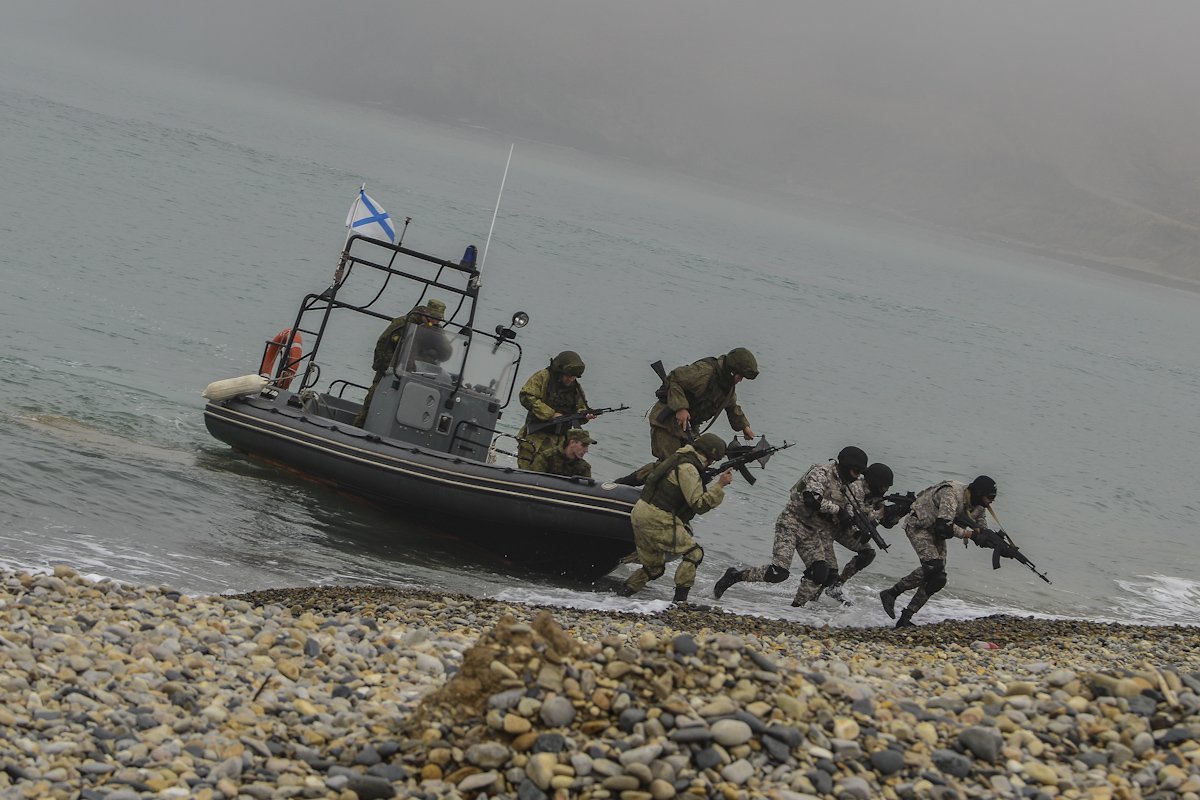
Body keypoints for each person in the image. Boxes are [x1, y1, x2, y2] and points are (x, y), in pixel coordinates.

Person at [712, 446, 869, 607]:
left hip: (813, 531)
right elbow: (811, 499)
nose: (857, 477)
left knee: (820, 572)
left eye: (859, 473)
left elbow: (848, 514)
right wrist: (837, 510)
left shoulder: (850, 487)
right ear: (845, 466)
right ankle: (735, 576)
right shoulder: (822, 472)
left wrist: (855, 527)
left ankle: (796, 608)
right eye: (856, 471)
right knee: (778, 573)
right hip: (791, 522)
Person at [617, 348, 758, 485]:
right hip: (667, 422)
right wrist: (681, 407)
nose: (740, 380)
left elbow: (732, 406)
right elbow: (675, 378)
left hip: (689, 427)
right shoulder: (704, 372)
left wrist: (744, 427)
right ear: (731, 370)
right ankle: (624, 485)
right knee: (669, 466)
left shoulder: (727, 386)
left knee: (694, 465)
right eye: (739, 376)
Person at [620, 433, 732, 603]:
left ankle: (620, 596)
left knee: (654, 568)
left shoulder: (678, 457)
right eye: (712, 460)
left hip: (641, 511)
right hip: (658, 518)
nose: (711, 463)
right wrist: (719, 485)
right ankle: (679, 602)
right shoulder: (688, 468)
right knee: (694, 553)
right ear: (709, 455)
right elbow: (699, 505)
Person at [878, 475, 995, 629]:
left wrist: (996, 544)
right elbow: (945, 525)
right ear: (979, 493)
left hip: (937, 533)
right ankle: (892, 593)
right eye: (990, 497)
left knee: (938, 578)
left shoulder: (979, 506)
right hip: (919, 525)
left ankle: (905, 618)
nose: (991, 501)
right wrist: (970, 535)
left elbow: (981, 529)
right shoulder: (951, 493)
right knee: (933, 567)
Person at [353, 298, 447, 427]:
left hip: (418, 377)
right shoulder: (403, 323)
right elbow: (383, 345)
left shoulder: (437, 332)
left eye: (439, 319)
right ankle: (358, 426)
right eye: (433, 317)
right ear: (425, 312)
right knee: (374, 401)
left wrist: (439, 338)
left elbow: (446, 355)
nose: (435, 321)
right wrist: (389, 368)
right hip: (391, 371)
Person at [822, 462, 897, 604]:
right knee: (829, 570)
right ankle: (811, 598)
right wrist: (879, 514)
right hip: (828, 527)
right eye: (884, 486)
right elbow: (854, 517)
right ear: (876, 482)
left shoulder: (875, 496)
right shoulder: (856, 488)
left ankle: (836, 586)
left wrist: (894, 514)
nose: (885, 490)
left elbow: (882, 523)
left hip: (843, 530)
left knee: (868, 553)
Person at [516, 350, 590, 469]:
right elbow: (526, 396)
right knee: (526, 474)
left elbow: (580, 410)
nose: (571, 379)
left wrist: (584, 416)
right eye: (568, 376)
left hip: (558, 445)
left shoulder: (576, 389)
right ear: (560, 371)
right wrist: (550, 414)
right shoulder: (543, 377)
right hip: (536, 438)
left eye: (574, 377)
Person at [528, 428, 594, 478]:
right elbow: (533, 479)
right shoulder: (547, 457)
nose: (586, 450)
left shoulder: (584, 467)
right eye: (584, 445)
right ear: (572, 443)